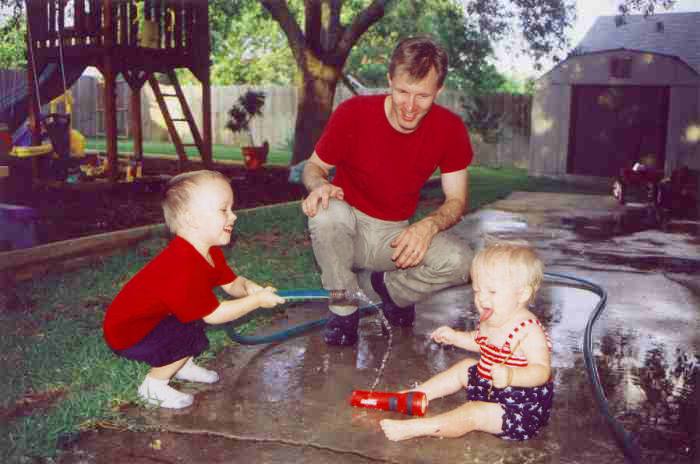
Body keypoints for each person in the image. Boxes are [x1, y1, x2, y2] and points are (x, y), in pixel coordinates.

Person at [301, 36, 475, 346]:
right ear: (389, 80)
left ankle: (388, 290)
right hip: (347, 226)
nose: (410, 106)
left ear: (439, 90)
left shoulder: (450, 129)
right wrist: (319, 185)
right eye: (402, 91)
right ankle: (343, 310)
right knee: (326, 213)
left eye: (422, 96)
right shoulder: (353, 112)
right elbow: (313, 167)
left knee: (461, 260)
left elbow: (457, 200)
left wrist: (428, 225)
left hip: (392, 238)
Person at [103, 170, 285, 409]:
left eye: (232, 208)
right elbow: (215, 314)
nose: (234, 216)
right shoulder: (181, 265)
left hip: (154, 320)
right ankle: (153, 386)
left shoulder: (208, 251)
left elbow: (231, 283)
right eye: (224, 210)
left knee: (191, 325)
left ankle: (182, 366)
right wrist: (256, 301)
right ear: (191, 219)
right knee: (182, 338)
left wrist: (249, 288)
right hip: (129, 333)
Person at [380, 240, 553, 441]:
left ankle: (418, 428)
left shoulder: (528, 330)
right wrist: (455, 337)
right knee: (466, 366)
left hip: (518, 406)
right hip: (489, 387)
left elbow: (541, 371)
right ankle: (417, 394)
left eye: (492, 292)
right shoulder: (493, 316)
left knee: (474, 413)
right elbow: (479, 341)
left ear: (522, 294)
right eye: (477, 291)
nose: (481, 298)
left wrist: (511, 376)